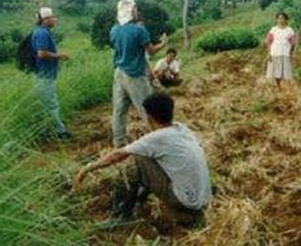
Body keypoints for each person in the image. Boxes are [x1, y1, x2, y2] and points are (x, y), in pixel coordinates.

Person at [75, 93, 212, 226]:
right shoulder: (182, 129)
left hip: (186, 201)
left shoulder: (158, 137)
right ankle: (139, 198)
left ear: (149, 117)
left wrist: (87, 169)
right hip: (202, 199)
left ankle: (120, 215)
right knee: (148, 157)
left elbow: (117, 155)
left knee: (136, 159)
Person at [111, 0, 165, 147]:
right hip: (135, 74)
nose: (137, 12)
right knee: (147, 108)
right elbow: (151, 51)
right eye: (135, 9)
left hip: (119, 72)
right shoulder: (139, 30)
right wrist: (163, 44)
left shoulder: (114, 30)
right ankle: (157, 141)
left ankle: (119, 141)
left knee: (119, 109)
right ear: (131, 12)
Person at [31, 7, 72, 140]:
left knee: (45, 103)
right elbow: (41, 53)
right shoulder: (42, 33)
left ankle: (44, 130)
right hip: (44, 74)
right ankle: (60, 131)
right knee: (51, 103)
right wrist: (60, 56)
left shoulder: (43, 32)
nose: (55, 20)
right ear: (45, 20)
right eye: (52, 17)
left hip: (44, 74)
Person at [265, 12, 297, 89]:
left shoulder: (289, 30)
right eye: (279, 18)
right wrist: (269, 52)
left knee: (285, 73)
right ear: (276, 20)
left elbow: (293, 43)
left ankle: (285, 88)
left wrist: (291, 53)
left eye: (282, 18)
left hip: (285, 54)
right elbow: (268, 41)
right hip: (275, 53)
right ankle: (277, 86)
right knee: (275, 72)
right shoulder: (273, 30)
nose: (280, 20)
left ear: (286, 20)